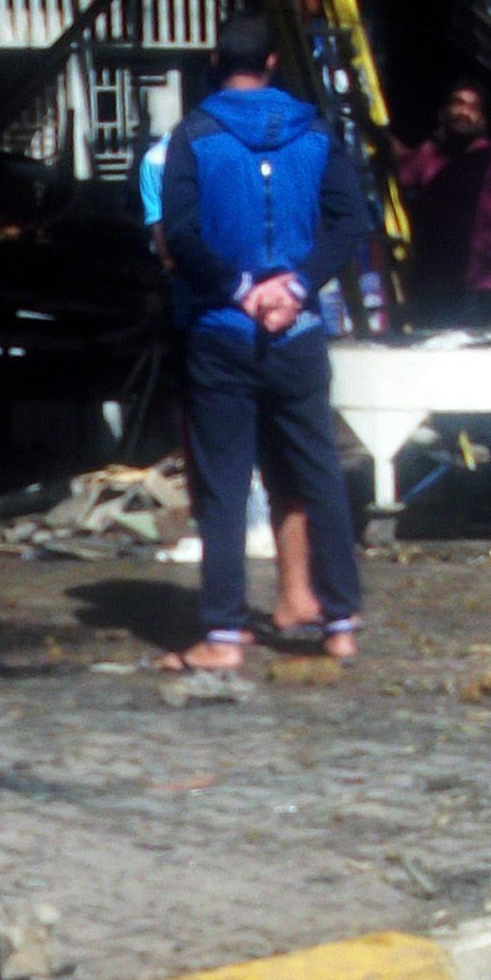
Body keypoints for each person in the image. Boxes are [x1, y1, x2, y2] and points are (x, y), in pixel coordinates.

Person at [156, 11, 367, 672]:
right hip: (299, 331)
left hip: (223, 330)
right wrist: (296, 286)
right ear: (273, 61)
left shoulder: (193, 137)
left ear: (216, 63)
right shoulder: (315, 132)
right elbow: (352, 222)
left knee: (223, 481)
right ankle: (340, 623)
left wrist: (244, 288)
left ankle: (222, 634)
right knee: (318, 473)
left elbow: (181, 237)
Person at [139, 92, 321, 638]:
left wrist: (238, 284)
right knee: (287, 460)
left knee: (221, 474)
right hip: (287, 322)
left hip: (212, 326)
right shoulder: (302, 141)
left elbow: (169, 247)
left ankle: (228, 617)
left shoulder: (166, 155)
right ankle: (295, 597)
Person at [389, 79, 491, 331]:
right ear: (443, 112)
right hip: (443, 289)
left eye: (474, 107)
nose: (464, 112)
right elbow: (394, 161)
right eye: (458, 103)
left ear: (483, 119)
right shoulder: (426, 157)